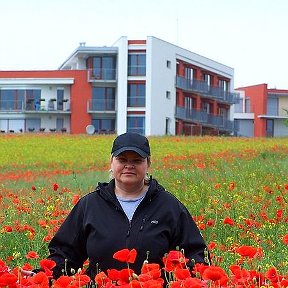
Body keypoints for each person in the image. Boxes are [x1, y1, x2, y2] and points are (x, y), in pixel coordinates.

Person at [33, 132, 210, 279]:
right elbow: (65, 255)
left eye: (137, 160)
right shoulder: (90, 206)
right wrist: (38, 277)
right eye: (122, 159)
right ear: (112, 162)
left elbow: (195, 255)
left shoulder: (169, 206)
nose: (129, 166)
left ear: (148, 164)